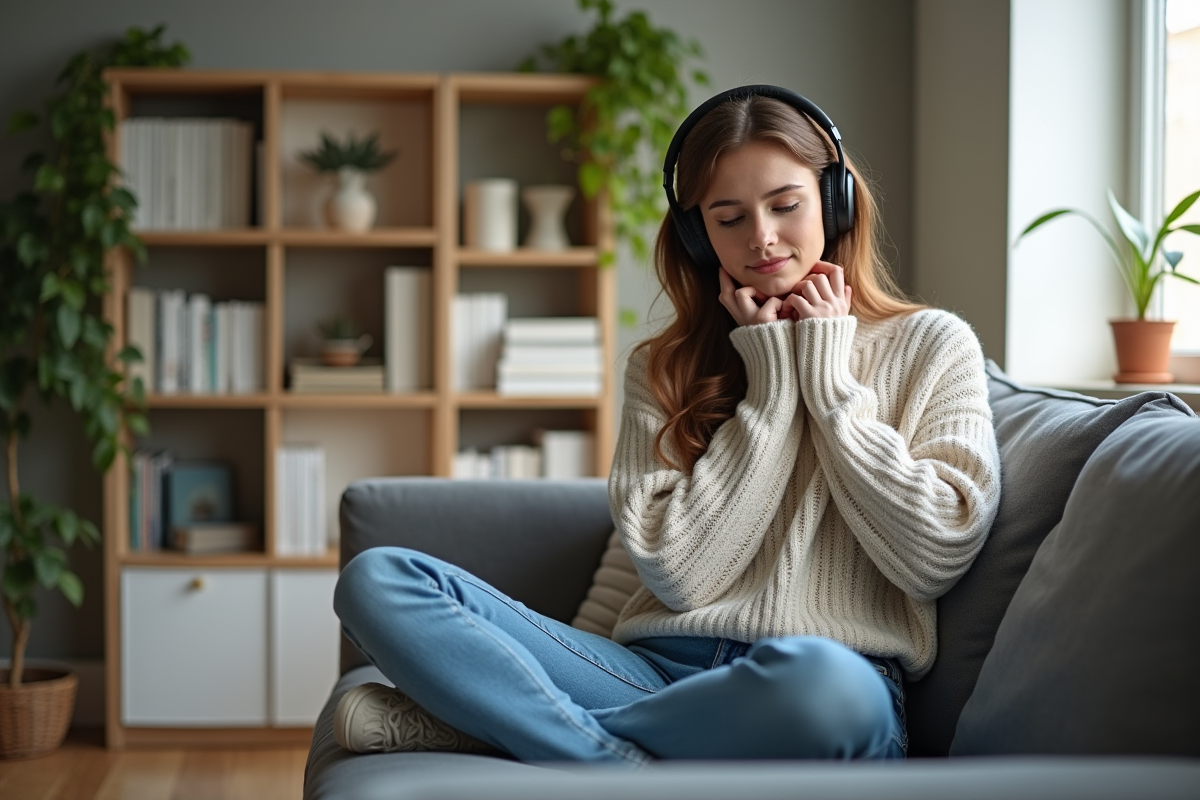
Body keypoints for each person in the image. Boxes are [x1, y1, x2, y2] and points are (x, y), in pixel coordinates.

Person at [331, 85, 1002, 765]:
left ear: (835, 201)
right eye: (728, 217)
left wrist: (824, 380)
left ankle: (519, 729)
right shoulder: (664, 368)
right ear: (697, 234)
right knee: (378, 578)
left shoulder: (932, 345)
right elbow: (681, 576)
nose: (762, 237)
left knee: (828, 689)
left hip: (822, 681)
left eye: (786, 205)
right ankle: (611, 754)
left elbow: (935, 553)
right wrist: (770, 387)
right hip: (650, 674)